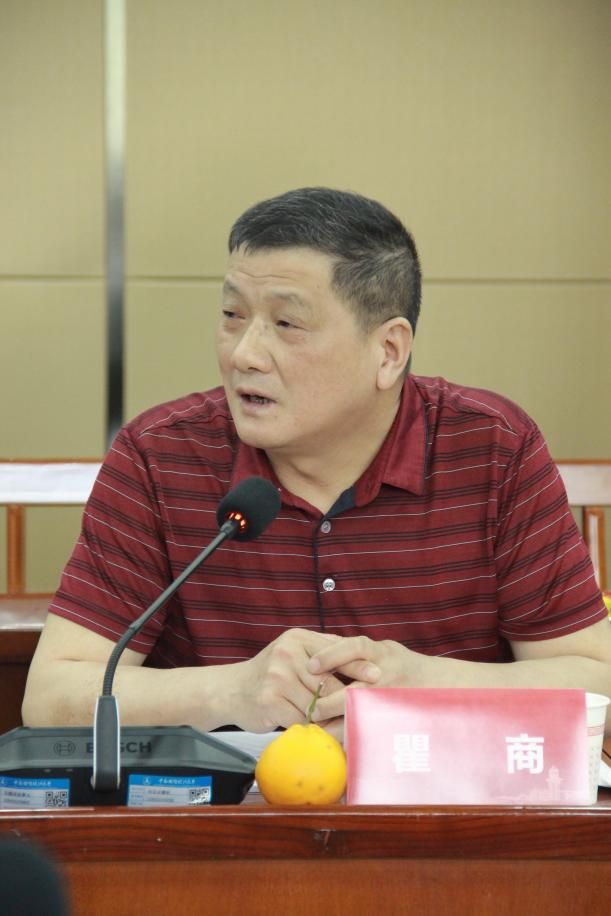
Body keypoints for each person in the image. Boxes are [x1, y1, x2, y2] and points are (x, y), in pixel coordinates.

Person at [22, 187, 611, 740]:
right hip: (228, 812)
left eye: (287, 324)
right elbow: (50, 697)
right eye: (232, 315)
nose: (245, 354)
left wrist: (426, 685)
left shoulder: (492, 448)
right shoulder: (160, 456)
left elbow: (596, 680)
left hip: (440, 805)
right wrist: (232, 691)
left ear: (388, 351)